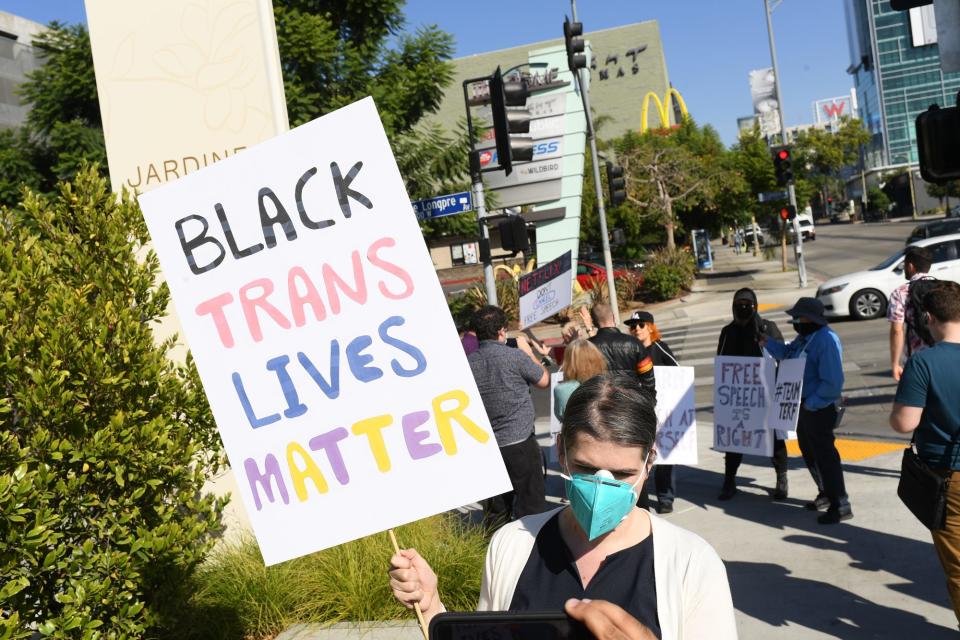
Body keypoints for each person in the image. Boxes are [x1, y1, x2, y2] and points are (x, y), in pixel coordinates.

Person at [389, 373, 738, 640]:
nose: (603, 487)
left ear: (650, 462)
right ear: (560, 451)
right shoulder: (513, 544)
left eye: (622, 473)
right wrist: (431, 606)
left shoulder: (691, 563)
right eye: (586, 469)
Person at [889, 281, 960, 625]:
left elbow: (905, 423)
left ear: (929, 318)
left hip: (950, 477)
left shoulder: (924, 363)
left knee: (959, 567)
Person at [763, 297, 851, 524]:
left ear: (811, 319)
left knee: (825, 456)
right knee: (809, 452)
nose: (795, 321)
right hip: (802, 406)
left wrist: (811, 403)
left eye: (798, 317)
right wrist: (767, 343)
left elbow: (833, 382)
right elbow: (786, 354)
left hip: (818, 408)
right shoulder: (804, 338)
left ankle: (840, 504)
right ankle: (825, 492)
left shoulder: (826, 340)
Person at [467, 305, 550, 527]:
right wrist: (529, 352)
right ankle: (530, 554)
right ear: (502, 331)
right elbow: (544, 381)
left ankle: (497, 554)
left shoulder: (468, 363)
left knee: (496, 512)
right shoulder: (514, 357)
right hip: (521, 443)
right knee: (531, 508)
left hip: (490, 447)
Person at [716, 288, 788, 501]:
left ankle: (781, 479)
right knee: (733, 440)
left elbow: (781, 356)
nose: (744, 308)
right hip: (739, 398)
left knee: (775, 440)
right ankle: (729, 481)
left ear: (756, 305)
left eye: (748, 304)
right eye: (740, 304)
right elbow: (721, 363)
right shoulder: (728, 331)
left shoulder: (767, 327)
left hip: (765, 393)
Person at [626, 310, 680, 514]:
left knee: (665, 459)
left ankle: (665, 497)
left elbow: (678, 373)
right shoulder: (632, 350)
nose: (636, 329)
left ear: (650, 327)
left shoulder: (660, 348)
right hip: (641, 412)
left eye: (641, 325)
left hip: (663, 412)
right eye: (633, 326)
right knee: (643, 457)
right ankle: (641, 498)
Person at [585, 303, 656, 401]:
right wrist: (648, 403)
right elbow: (648, 380)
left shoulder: (586, 347)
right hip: (630, 405)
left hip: (600, 407)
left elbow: (582, 381)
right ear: (614, 317)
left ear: (594, 322)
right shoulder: (634, 343)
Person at [889, 246, 934, 381]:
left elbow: (897, 330)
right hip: (947, 355)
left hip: (917, 361)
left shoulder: (901, 292)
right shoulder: (945, 288)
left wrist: (895, 364)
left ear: (910, 266)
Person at [553, 339, 607, 422]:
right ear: (597, 359)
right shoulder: (607, 385)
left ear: (567, 362)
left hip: (575, 432)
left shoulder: (561, 390)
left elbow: (561, 416)